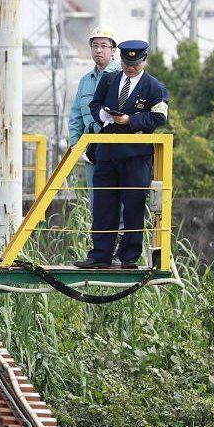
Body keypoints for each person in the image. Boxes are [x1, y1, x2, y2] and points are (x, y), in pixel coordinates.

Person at [74, 40, 168, 269]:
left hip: (135, 156)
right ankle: (100, 255)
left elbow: (159, 118)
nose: (130, 68)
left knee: (133, 205)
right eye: (127, 63)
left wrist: (131, 120)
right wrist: (103, 116)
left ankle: (128, 257)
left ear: (144, 60)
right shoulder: (109, 79)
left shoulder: (154, 87)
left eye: (135, 64)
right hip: (107, 152)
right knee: (104, 205)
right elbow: (94, 104)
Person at [68, 25, 120, 210]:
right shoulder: (85, 81)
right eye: (95, 45)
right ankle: (99, 239)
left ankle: (120, 239)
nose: (98, 50)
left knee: (118, 204)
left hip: (116, 149)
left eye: (104, 45)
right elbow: (75, 115)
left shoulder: (122, 77)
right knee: (96, 205)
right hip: (92, 151)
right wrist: (76, 145)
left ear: (113, 49)